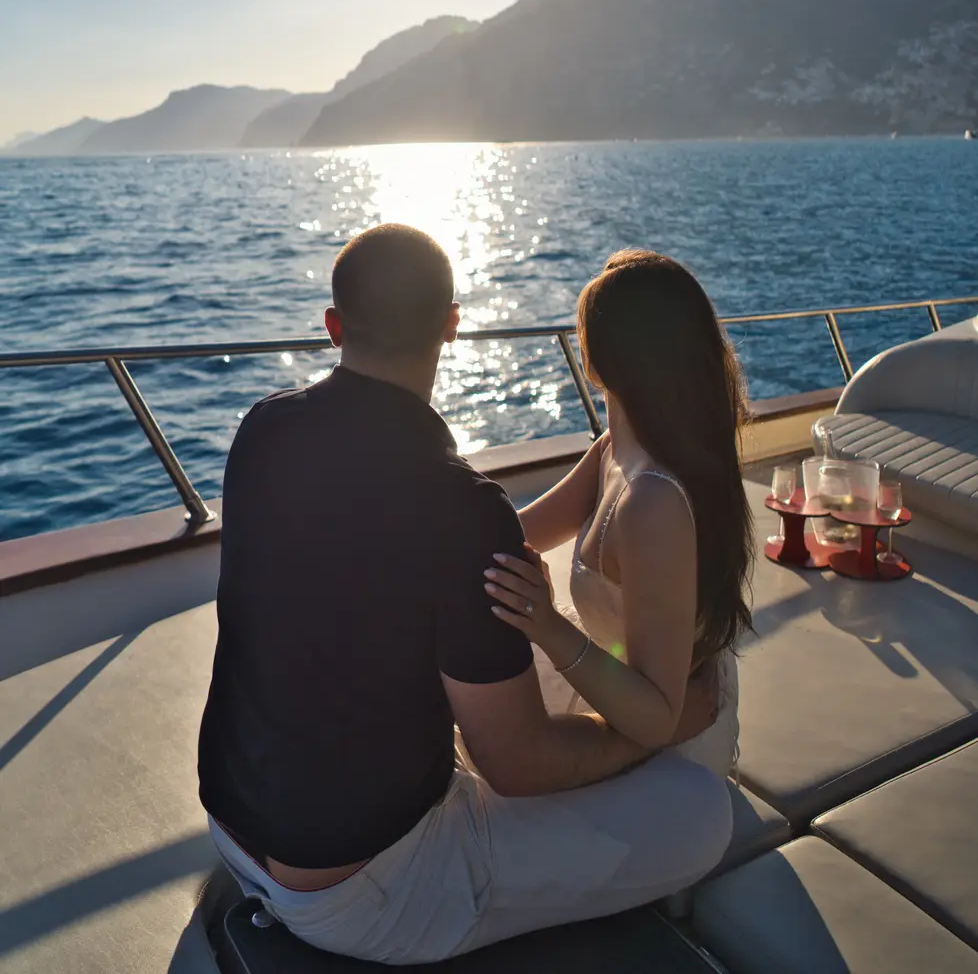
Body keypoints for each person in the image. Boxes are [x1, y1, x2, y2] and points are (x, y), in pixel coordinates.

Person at [198, 225, 732, 963]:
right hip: (362, 891)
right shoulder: (460, 509)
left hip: (232, 827)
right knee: (703, 813)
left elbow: (390, 553)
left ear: (332, 328)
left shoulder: (261, 432)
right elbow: (520, 768)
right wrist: (645, 734)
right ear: (453, 325)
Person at [488, 250, 753, 778]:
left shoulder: (652, 502)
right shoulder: (617, 448)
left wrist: (544, 624)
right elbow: (517, 534)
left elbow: (658, 718)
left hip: (668, 748)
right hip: (615, 694)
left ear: (597, 362)